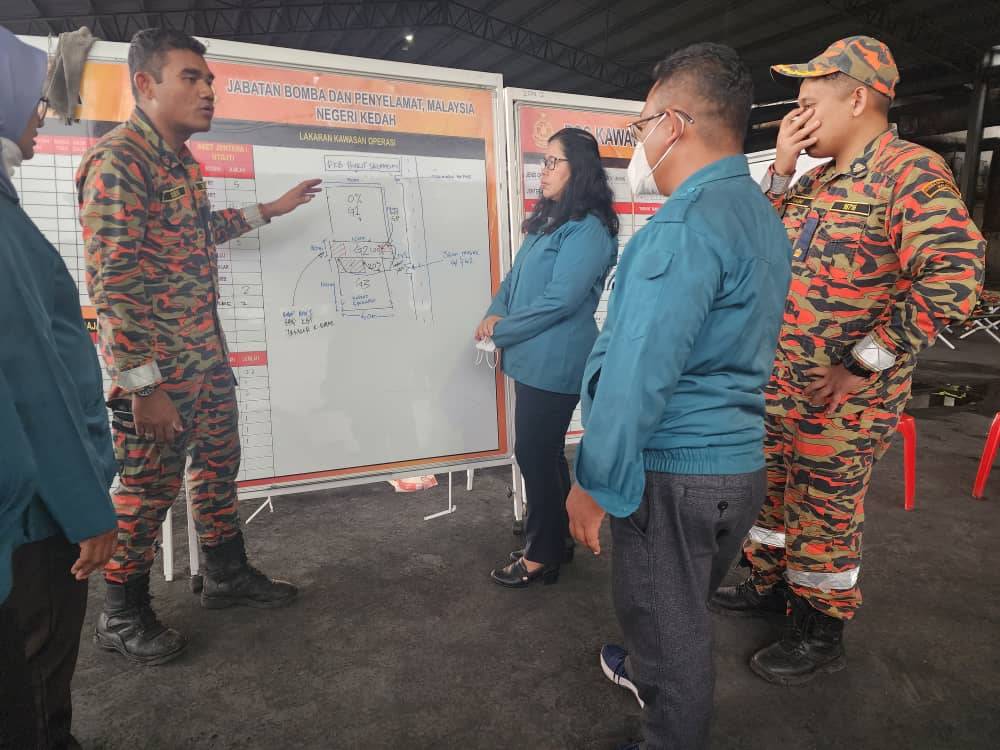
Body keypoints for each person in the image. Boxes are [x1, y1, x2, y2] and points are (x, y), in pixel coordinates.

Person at [709, 36, 986, 685]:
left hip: (845, 400)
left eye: (806, 105)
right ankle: (771, 586)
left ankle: (819, 627)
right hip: (780, 387)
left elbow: (954, 275)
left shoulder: (908, 172)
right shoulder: (814, 180)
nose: (796, 121)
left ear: (857, 97)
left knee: (823, 511)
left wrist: (864, 361)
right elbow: (757, 250)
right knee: (772, 498)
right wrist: (778, 169)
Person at [565, 44, 792, 750]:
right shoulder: (757, 215)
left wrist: (593, 481)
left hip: (675, 474)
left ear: (675, 123)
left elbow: (639, 369)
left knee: (673, 635)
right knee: (679, 610)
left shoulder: (684, 226)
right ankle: (645, 668)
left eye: (640, 128)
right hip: (736, 467)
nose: (638, 144)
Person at [76, 28, 322, 666]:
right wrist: (143, 387)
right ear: (146, 85)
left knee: (217, 469)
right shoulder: (119, 162)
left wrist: (268, 209)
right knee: (147, 491)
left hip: (203, 360)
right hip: (156, 377)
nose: (209, 89)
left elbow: (197, 231)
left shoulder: (180, 161)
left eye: (209, 79)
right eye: (192, 77)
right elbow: (114, 282)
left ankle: (225, 575)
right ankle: (121, 613)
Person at [0, 26, 119, 748]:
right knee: (39, 674)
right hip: (37, 516)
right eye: (32, 98)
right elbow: (33, 378)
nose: (42, 113)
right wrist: (87, 508)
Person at [477, 127, 618, 587]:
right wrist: (494, 313)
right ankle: (556, 540)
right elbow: (514, 280)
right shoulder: (550, 221)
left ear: (580, 170)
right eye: (544, 160)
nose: (545, 170)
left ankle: (541, 555)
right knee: (544, 454)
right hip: (529, 356)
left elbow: (561, 300)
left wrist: (503, 332)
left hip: (557, 360)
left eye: (554, 161)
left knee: (534, 454)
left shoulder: (589, 229)